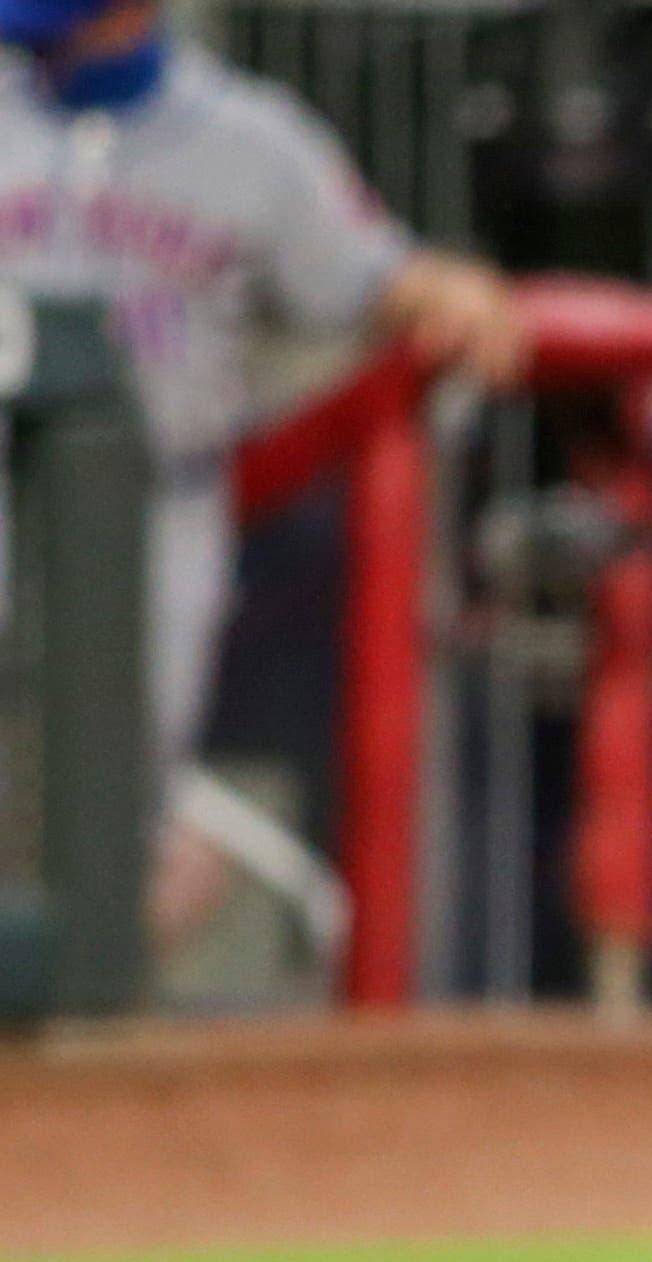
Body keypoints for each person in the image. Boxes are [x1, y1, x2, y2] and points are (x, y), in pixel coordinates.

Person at [0, 0, 523, 955]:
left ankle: (102, 1003)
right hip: (6, 493)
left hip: (156, 508)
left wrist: (452, 285)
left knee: (107, 805)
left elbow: (375, 279)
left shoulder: (251, 138)